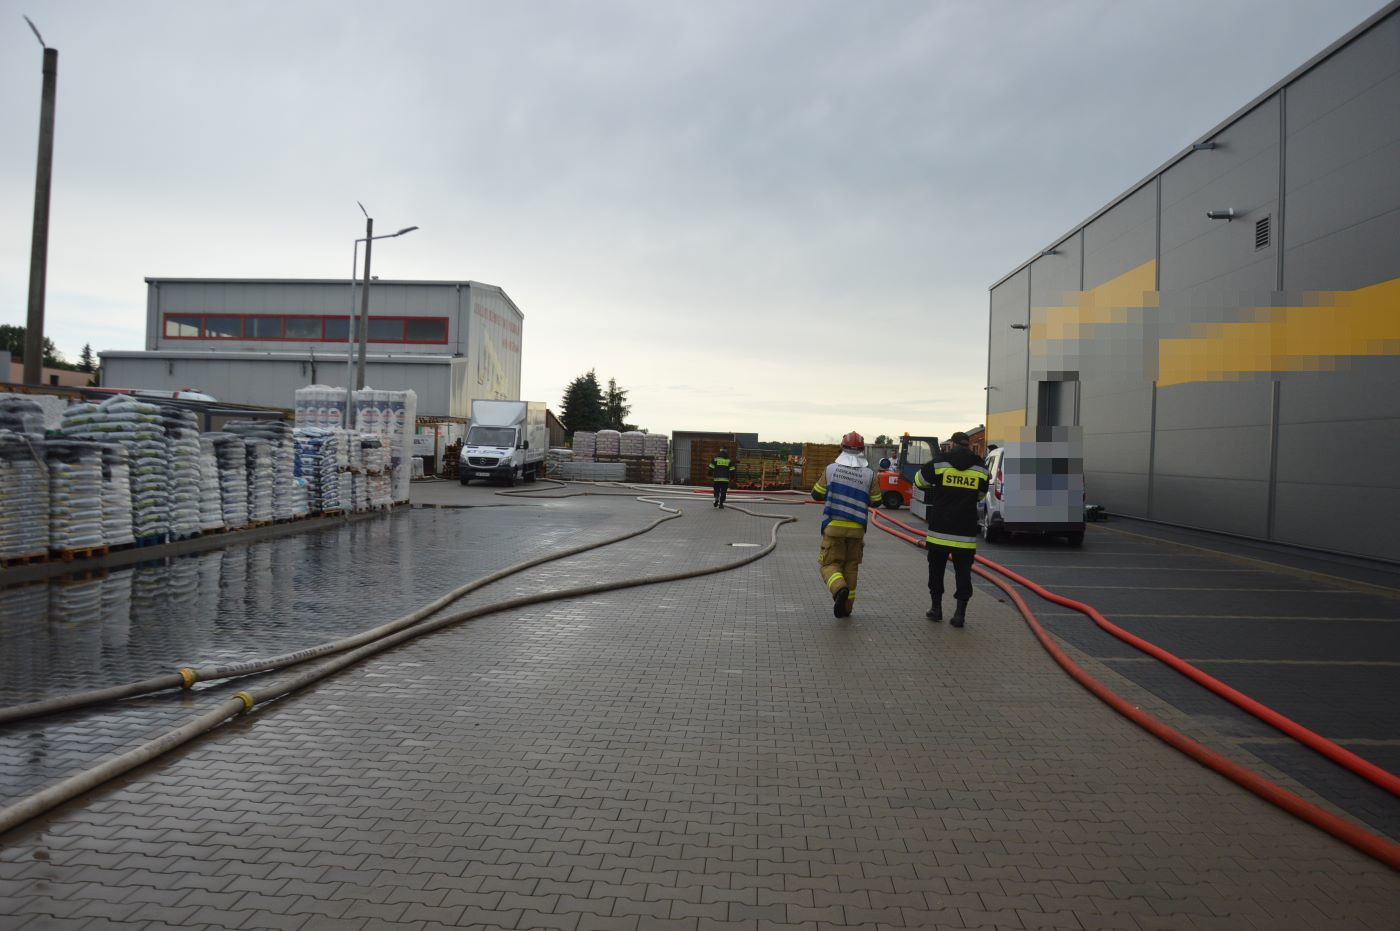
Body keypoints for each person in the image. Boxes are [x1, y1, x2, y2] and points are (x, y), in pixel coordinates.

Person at [915, 431, 989, 627]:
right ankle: (959, 615)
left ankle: (936, 609)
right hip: (965, 532)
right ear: (967, 445)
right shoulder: (980, 467)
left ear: (953, 444)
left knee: (936, 570)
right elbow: (981, 496)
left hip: (939, 530)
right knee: (963, 573)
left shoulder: (940, 463)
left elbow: (919, 481)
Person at [810, 431, 882, 618]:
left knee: (829, 564)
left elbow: (816, 494)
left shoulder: (831, 469)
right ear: (862, 450)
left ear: (842, 448)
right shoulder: (869, 474)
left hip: (834, 528)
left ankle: (839, 588)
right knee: (851, 568)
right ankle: (846, 609)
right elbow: (876, 501)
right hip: (857, 530)